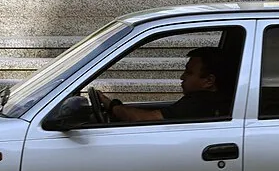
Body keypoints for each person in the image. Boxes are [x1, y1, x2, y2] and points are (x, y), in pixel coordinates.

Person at [98, 47, 233, 122]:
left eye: (189, 72)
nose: (182, 77)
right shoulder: (216, 100)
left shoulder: (199, 103)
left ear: (208, 81)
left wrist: (112, 106)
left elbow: (144, 119)